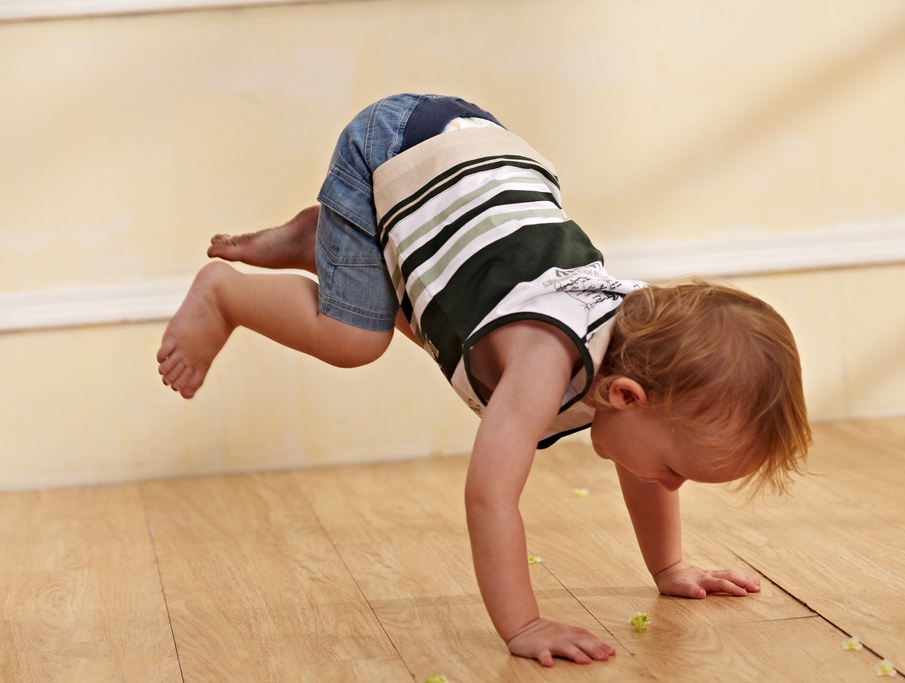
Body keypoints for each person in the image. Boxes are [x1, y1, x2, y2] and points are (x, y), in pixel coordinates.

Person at [157, 94, 812, 668]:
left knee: (440, 322)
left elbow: (646, 455)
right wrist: (523, 622)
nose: (669, 484)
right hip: (398, 152)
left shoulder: (640, 347)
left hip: (475, 169)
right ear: (624, 395)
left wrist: (668, 567)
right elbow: (489, 498)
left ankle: (335, 242)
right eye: (676, 468)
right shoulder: (543, 360)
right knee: (357, 336)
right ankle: (231, 293)